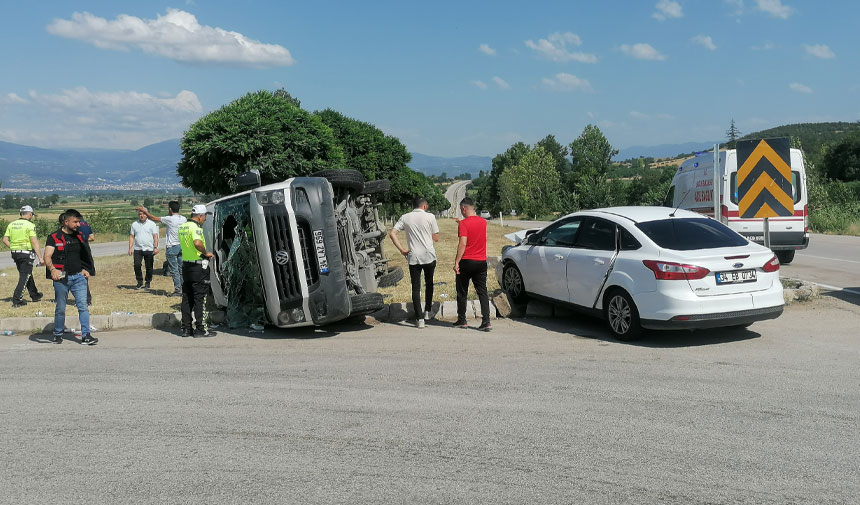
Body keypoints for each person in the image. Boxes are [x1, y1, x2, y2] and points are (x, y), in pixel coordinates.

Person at [44, 209, 97, 345]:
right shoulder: (54, 237)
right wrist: (53, 269)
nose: (78, 224)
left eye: (79, 222)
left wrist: (86, 269)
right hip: (61, 278)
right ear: (66, 221)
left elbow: (86, 254)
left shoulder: (79, 236)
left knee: (83, 306)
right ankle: (57, 334)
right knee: (61, 308)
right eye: (75, 222)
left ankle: (86, 336)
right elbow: (47, 256)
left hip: (79, 277)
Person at [389, 197, 440, 328]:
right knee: (429, 283)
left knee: (416, 287)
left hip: (413, 256)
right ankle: (428, 310)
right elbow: (436, 238)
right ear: (424, 206)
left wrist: (402, 250)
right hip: (429, 255)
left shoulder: (405, 217)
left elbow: (392, 234)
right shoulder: (430, 217)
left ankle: (419, 319)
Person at [452, 197, 491, 331]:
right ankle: (486, 321)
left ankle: (462, 320)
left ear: (463, 208)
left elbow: (463, 243)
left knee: (462, 291)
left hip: (467, 261)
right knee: (482, 291)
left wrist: (457, 261)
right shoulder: (483, 222)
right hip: (481, 261)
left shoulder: (464, 224)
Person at [178, 204, 215, 338]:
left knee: (187, 298)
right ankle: (201, 329)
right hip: (198, 267)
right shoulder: (196, 228)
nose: (205, 219)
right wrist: (206, 253)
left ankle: (186, 329)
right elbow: (197, 243)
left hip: (186, 266)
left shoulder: (183, 227)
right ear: (199, 216)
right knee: (200, 299)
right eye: (204, 216)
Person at [137, 202, 186, 297]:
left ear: (170, 209)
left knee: (174, 269)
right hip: (182, 246)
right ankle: (184, 288)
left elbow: (154, 218)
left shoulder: (170, 219)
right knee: (181, 269)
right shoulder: (183, 219)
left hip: (172, 246)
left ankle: (178, 290)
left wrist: (144, 212)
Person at [2, 205, 44, 307]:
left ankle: (34, 295)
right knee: (24, 276)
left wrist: (13, 247)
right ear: (30, 214)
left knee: (26, 273)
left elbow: (5, 240)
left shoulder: (12, 224)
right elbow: (34, 242)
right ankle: (17, 300)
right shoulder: (29, 225)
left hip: (15, 253)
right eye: (32, 215)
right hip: (26, 253)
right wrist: (40, 258)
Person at [129, 210, 159, 290]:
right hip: (138, 248)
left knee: (149, 267)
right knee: (137, 265)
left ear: (146, 214)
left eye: (143, 214)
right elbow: (132, 236)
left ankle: (148, 282)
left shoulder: (152, 224)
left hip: (149, 248)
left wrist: (155, 247)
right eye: (140, 214)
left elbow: (155, 236)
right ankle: (139, 281)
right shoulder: (134, 224)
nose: (141, 216)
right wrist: (130, 248)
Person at [77, 218, 95, 304]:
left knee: (77, 275)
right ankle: (87, 299)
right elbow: (92, 238)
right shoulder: (86, 224)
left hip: (77, 251)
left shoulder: (73, 225)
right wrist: (84, 239)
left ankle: (85, 299)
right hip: (86, 250)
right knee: (84, 276)